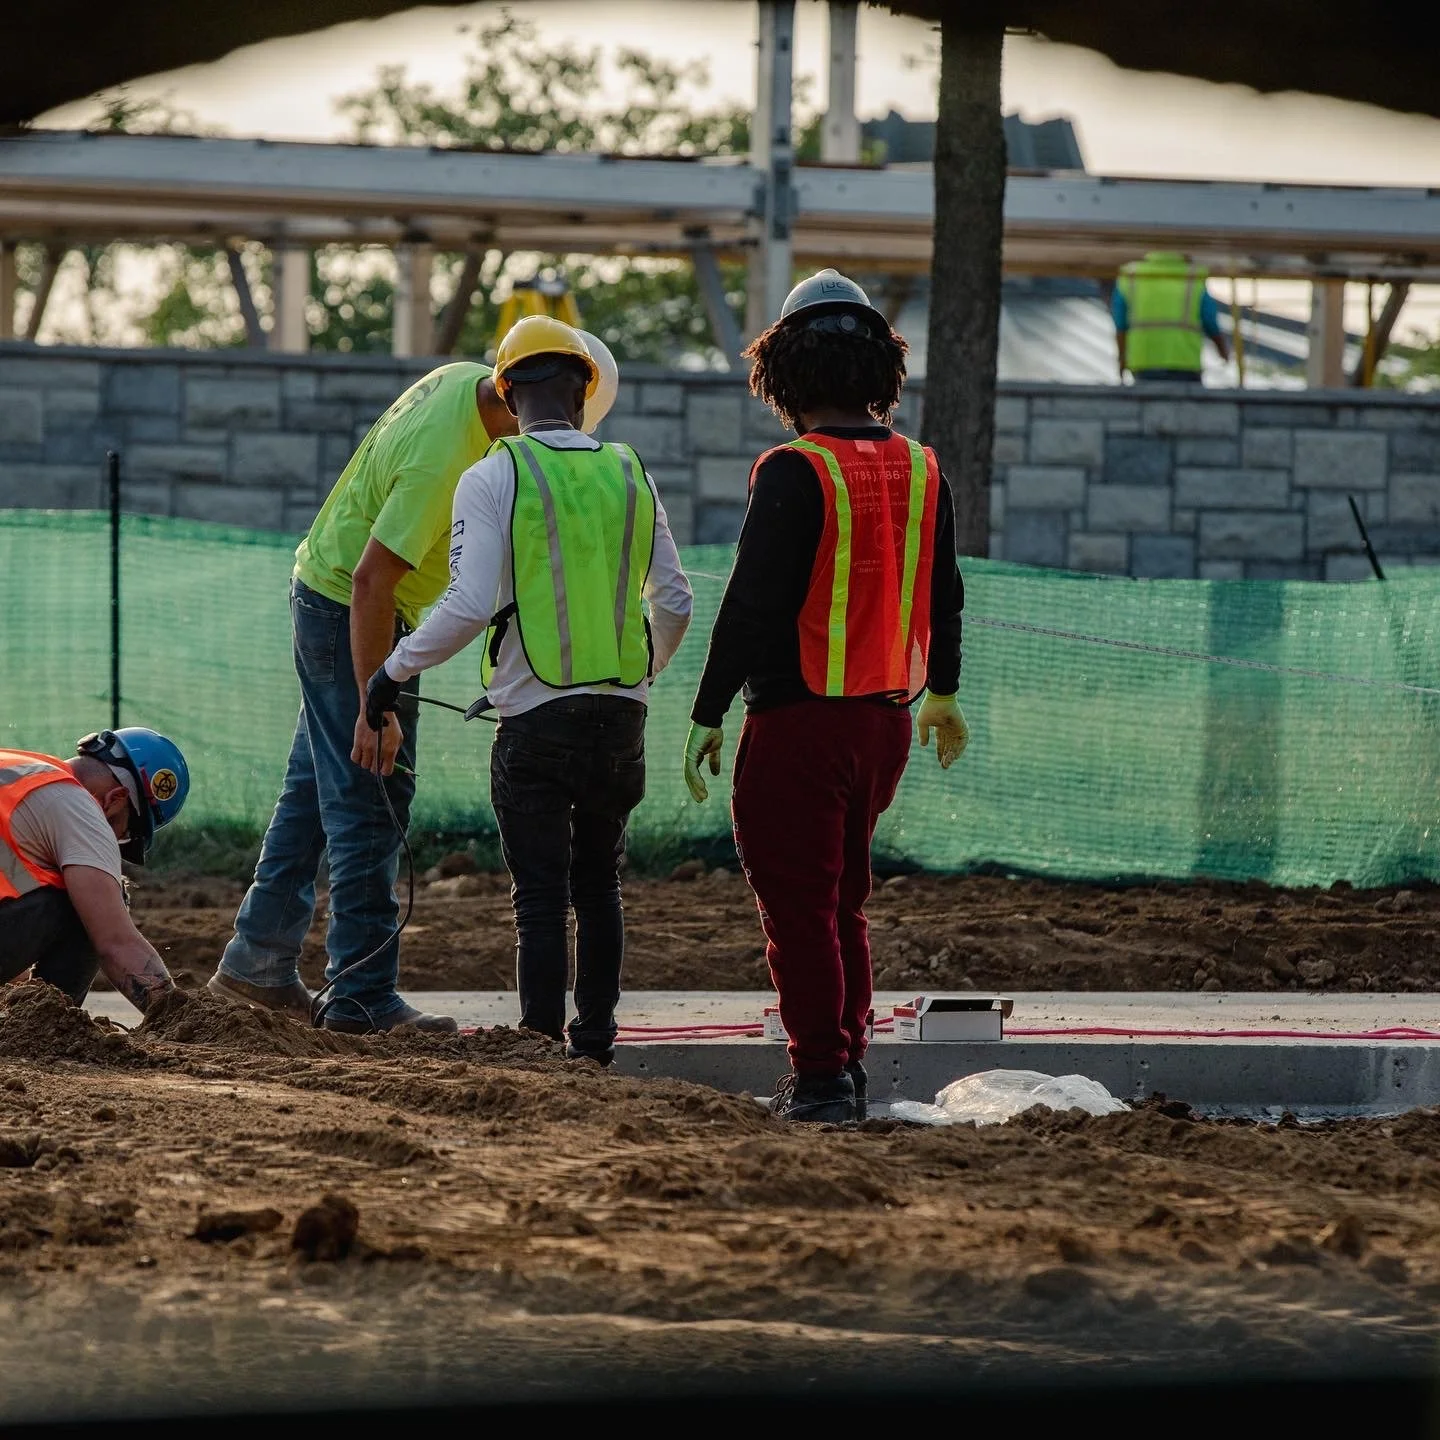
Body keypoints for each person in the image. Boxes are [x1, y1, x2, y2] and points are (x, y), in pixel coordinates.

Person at [682, 269, 967, 1125]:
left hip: (799, 722)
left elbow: (752, 600)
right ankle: (844, 1066)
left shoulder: (793, 469)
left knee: (800, 911)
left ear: (786, 374)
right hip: (883, 724)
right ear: (882, 368)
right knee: (842, 905)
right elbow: (945, 591)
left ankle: (820, 1083)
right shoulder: (922, 467)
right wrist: (943, 694)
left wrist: (707, 709)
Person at [367, 317, 692, 1065]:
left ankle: (544, 1049)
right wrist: (639, 679)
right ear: (585, 394)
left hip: (535, 723)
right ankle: (597, 1045)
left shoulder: (493, 474)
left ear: (507, 394)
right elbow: (673, 600)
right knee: (600, 883)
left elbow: (468, 604)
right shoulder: (630, 471)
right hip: (621, 719)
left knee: (541, 898)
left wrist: (392, 672)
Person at [209, 360, 519, 1034]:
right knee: (369, 793)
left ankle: (256, 963)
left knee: (312, 795)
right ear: (516, 400)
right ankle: (360, 994)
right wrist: (375, 701)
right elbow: (374, 581)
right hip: (358, 609)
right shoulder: (448, 462)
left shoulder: (464, 379)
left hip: (327, 586)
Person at [0, 727, 189, 1013]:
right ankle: (43, 1025)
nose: (111, 841)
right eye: (120, 829)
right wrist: (182, 1020)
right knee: (87, 903)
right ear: (115, 799)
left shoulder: (18, 770)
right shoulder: (77, 804)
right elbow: (117, 945)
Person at [1113, 251, 1230, 383]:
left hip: (1144, 361)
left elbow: (1120, 323)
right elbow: (1210, 320)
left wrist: (1122, 360)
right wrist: (1222, 350)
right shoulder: (1192, 276)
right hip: (1185, 361)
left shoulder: (1131, 275)